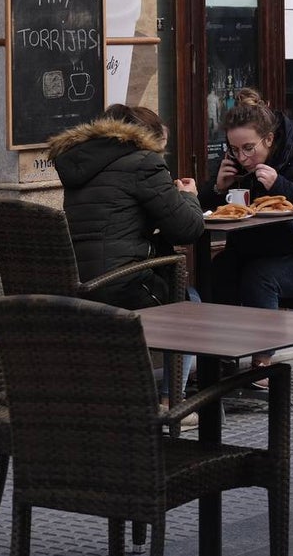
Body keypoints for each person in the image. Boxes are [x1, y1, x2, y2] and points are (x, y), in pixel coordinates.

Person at [48, 103, 202, 420]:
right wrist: (189, 196)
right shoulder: (143, 163)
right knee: (189, 305)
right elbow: (188, 228)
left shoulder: (82, 164)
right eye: (162, 148)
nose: (163, 157)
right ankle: (172, 405)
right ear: (146, 140)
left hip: (78, 283)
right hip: (119, 281)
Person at [199, 88, 293, 381]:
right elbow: (206, 210)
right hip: (255, 248)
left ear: (269, 139)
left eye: (249, 148)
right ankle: (221, 358)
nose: (242, 157)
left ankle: (262, 364)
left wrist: (280, 185)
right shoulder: (236, 162)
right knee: (217, 271)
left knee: (260, 276)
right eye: (234, 149)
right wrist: (217, 188)